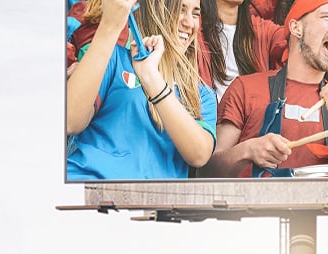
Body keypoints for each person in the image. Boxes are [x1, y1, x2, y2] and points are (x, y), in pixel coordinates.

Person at [203, 0, 328, 177]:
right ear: (296, 28)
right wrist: (247, 151)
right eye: (327, 17)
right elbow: (208, 169)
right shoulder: (245, 88)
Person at [67, 0, 218, 180]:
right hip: (86, 189)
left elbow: (199, 154)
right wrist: (109, 26)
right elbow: (69, 121)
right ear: (153, 12)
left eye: (195, 13)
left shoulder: (203, 95)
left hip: (151, 202)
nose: (189, 23)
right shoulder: (112, 58)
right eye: (179, 10)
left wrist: (151, 78)